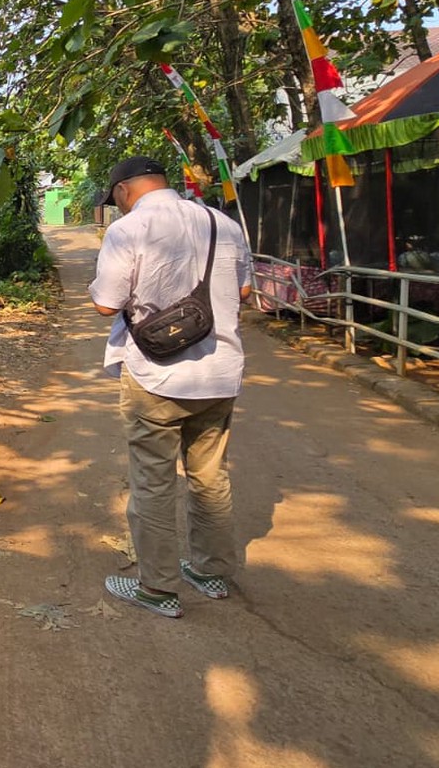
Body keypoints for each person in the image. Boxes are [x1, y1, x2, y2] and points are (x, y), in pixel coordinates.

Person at [88, 156, 253, 618]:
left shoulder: (128, 229)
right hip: (220, 373)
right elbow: (242, 293)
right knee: (210, 476)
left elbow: (106, 304)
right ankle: (211, 570)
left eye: (115, 199)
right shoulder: (224, 225)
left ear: (122, 191)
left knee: (153, 481)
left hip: (156, 376)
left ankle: (157, 588)